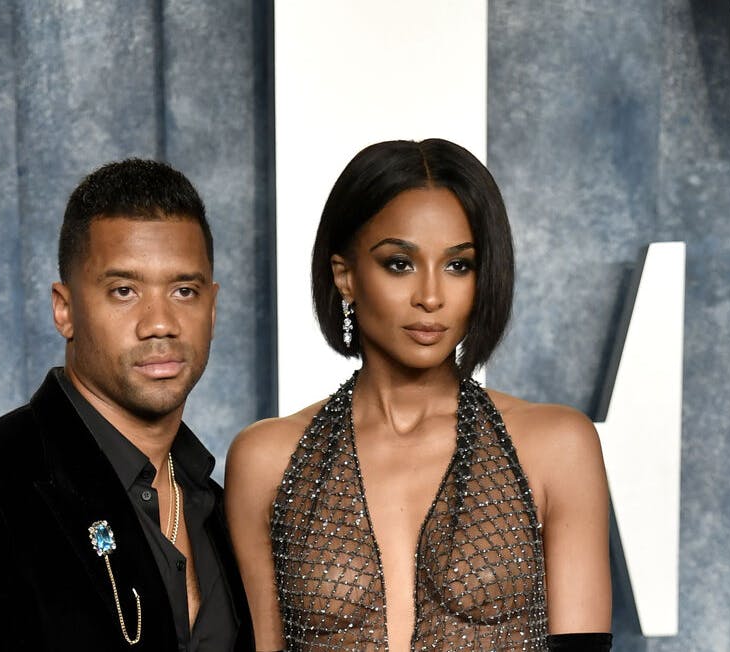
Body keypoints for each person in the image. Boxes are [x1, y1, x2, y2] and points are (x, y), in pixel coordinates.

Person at [226, 139, 611, 651]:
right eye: (399, 263)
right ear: (345, 276)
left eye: (458, 266)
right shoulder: (266, 459)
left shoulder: (557, 446)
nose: (430, 296)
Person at [0, 159, 254, 651]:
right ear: (64, 309)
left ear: (212, 309)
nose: (160, 323)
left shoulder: (225, 511)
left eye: (183, 291)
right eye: (124, 291)